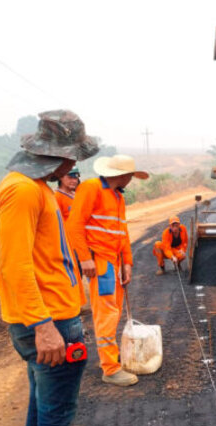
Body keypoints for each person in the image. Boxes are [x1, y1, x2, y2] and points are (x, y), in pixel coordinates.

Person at [0, 110, 97, 426]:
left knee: (43, 408)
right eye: (73, 156)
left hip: (51, 316)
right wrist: (43, 325)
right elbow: (14, 266)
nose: (74, 163)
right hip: (48, 321)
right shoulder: (21, 192)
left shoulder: (37, 188)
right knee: (55, 415)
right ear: (58, 154)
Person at [67, 154, 149, 387]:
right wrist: (85, 259)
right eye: (130, 176)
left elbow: (122, 233)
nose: (131, 180)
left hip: (114, 262)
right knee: (106, 313)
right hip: (100, 263)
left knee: (115, 310)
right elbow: (74, 225)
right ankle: (110, 368)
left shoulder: (117, 197)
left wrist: (127, 263)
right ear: (121, 175)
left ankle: (111, 356)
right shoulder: (91, 188)